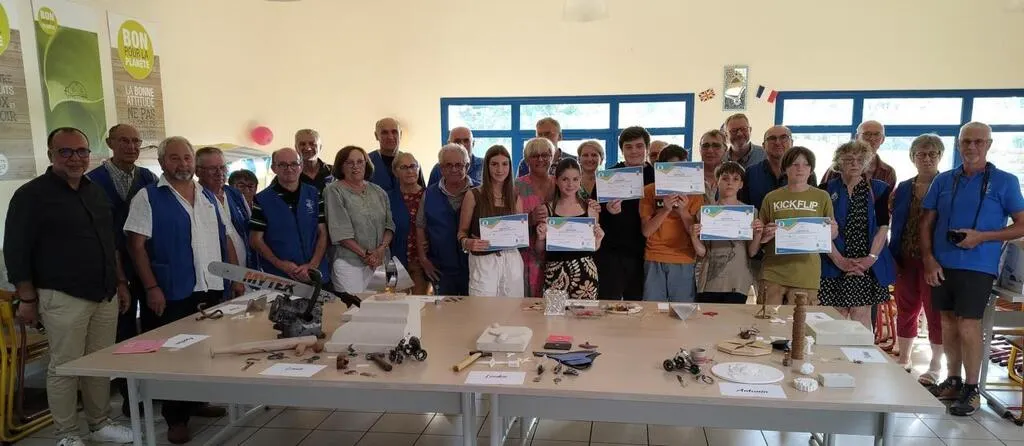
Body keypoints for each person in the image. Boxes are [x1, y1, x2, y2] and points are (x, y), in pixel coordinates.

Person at [5, 127, 134, 446]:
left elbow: (110, 243)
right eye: (65, 151)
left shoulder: (95, 191)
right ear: (50, 154)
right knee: (65, 367)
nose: (75, 158)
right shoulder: (31, 195)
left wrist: (120, 282)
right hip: (62, 295)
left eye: (81, 151)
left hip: (104, 293)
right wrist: (27, 299)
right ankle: (67, 433)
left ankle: (99, 423)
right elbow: (16, 251)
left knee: (99, 363)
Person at [124, 136, 242, 444]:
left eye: (187, 158)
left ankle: (198, 402)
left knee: (205, 349)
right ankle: (176, 418)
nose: (182, 164)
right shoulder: (148, 197)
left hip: (210, 287)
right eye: (175, 158)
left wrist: (236, 278)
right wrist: (151, 287)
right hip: (170, 289)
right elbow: (136, 246)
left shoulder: (207, 195)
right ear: (162, 162)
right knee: (173, 355)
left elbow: (225, 238)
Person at [921, 121, 1024, 416]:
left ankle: (971, 388)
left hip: (978, 266)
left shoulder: (1005, 181)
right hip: (941, 263)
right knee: (947, 323)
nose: (972, 147)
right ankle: (952, 380)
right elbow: (926, 222)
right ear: (958, 144)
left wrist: (983, 237)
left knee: (968, 325)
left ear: (989, 145)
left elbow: (1021, 225)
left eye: (979, 141)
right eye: (966, 141)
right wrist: (929, 259)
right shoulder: (943, 180)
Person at [85, 124, 159, 416]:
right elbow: (101, 234)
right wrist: (119, 279)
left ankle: (158, 391)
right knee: (125, 336)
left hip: (147, 267)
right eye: (124, 141)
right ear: (110, 143)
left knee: (155, 330)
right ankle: (132, 400)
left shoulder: (148, 178)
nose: (131, 147)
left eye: (136, 142)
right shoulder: (93, 182)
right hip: (113, 269)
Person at [819, 141, 895, 328]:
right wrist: (839, 261)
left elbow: (883, 227)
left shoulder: (879, 189)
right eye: (849, 159)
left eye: (860, 160)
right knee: (834, 319)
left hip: (865, 264)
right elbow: (821, 230)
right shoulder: (825, 189)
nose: (855, 163)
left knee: (861, 317)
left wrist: (871, 258)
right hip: (833, 263)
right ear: (838, 162)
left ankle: (863, 350)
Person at [890, 134, 946, 385]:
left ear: (940, 157)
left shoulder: (947, 185)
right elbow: (893, 221)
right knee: (905, 308)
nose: (926, 159)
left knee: (934, 312)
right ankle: (904, 358)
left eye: (932, 154)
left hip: (935, 260)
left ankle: (935, 365)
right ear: (912, 157)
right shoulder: (903, 188)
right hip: (905, 257)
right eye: (921, 154)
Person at [758, 146, 838, 305]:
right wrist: (766, 233)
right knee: (768, 317)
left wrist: (833, 231)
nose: (800, 168)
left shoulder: (822, 196)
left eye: (806, 164)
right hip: (773, 270)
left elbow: (831, 233)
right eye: (795, 164)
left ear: (811, 169)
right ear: (785, 168)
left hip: (806, 272)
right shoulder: (771, 197)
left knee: (800, 318)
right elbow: (760, 233)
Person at [249, 148, 329, 285]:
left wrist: (312, 265)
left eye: (294, 164)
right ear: (274, 168)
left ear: (301, 166)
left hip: (316, 273)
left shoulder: (314, 194)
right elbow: (255, 240)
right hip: (280, 277)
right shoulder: (262, 200)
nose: (289, 169)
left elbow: (322, 233)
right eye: (282, 164)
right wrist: (280, 264)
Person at [690, 161, 764, 304]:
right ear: (717, 181)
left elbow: (752, 252)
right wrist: (693, 237)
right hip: (709, 280)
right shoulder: (705, 212)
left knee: (732, 318)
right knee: (708, 318)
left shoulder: (750, 213)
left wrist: (758, 234)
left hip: (738, 280)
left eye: (735, 179)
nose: (730, 183)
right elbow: (702, 252)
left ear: (741, 184)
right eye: (725, 178)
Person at [325, 145, 395, 293]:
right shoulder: (333, 190)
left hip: (379, 261)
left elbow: (389, 226)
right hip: (349, 262)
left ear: (366, 164)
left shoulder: (379, 191)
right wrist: (367, 255)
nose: (355, 166)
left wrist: (380, 249)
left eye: (360, 162)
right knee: (354, 305)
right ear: (341, 166)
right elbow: (340, 232)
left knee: (379, 305)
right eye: (349, 162)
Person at [458, 145, 525, 297]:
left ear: (510, 166)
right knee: (483, 308)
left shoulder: (515, 197)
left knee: (512, 308)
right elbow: (461, 232)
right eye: (494, 164)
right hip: (483, 261)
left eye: (504, 164)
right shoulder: (473, 195)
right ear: (487, 166)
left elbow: (519, 234)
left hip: (511, 260)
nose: (500, 169)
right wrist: (467, 243)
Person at [598, 126, 656, 300]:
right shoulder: (608, 176)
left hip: (646, 252)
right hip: (613, 252)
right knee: (608, 303)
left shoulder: (657, 177)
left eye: (639, 146)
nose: (634, 151)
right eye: (628, 147)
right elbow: (595, 214)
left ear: (647, 148)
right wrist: (608, 210)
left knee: (639, 305)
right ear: (622, 150)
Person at [533, 158, 604, 299]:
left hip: (585, 271)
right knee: (554, 313)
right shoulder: (546, 209)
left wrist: (599, 239)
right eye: (565, 179)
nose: (570, 184)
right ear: (556, 181)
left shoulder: (590, 208)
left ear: (580, 179)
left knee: (585, 312)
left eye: (575, 179)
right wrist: (540, 238)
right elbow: (539, 250)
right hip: (555, 270)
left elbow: (593, 248)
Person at [640, 145, 703, 302]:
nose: (678, 173)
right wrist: (665, 209)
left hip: (684, 257)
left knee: (683, 309)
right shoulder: (649, 191)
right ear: (661, 170)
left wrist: (682, 211)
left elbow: (694, 232)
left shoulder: (695, 194)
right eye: (673, 168)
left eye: (683, 168)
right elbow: (646, 231)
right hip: (655, 256)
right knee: (653, 309)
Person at [417, 144, 479, 296]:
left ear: (467, 166)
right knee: (444, 309)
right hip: (441, 269)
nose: (454, 169)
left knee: (474, 308)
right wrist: (424, 260)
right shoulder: (429, 194)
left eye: (459, 165)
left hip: (474, 267)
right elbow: (420, 226)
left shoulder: (480, 192)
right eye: (448, 165)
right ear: (441, 168)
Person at [196, 147, 252, 276]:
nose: (219, 173)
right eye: (212, 168)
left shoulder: (235, 194)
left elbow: (249, 229)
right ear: (198, 171)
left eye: (222, 167)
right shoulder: (195, 198)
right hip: (216, 274)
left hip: (246, 272)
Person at [741, 125, 818, 214]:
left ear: (792, 143)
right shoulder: (751, 173)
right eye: (772, 138)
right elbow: (743, 207)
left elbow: (815, 206)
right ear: (763, 146)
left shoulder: (806, 173)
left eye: (783, 138)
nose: (777, 142)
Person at [516, 137, 557, 297]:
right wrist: (529, 220)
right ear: (527, 159)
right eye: (535, 156)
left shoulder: (561, 184)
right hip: (524, 258)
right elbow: (507, 226)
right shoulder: (516, 186)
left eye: (545, 155)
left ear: (552, 157)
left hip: (556, 257)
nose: (540, 159)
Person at [388, 152, 430, 294]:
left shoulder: (430, 195)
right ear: (395, 172)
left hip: (422, 260)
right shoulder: (387, 197)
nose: (410, 171)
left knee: (421, 303)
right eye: (404, 167)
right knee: (396, 302)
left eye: (413, 166)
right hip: (394, 259)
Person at [820, 120, 897, 189]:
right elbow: (823, 195)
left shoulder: (888, 172)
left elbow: (888, 199)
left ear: (883, 139)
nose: (872, 138)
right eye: (867, 134)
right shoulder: (839, 166)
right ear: (857, 137)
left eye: (877, 134)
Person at [368, 117, 423, 192]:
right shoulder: (366, 163)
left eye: (394, 132)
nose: (390, 137)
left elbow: (422, 193)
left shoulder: (412, 163)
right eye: (385, 132)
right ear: (376, 136)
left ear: (400, 134)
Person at [698, 130, 727, 201]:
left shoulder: (735, 176)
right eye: (705, 146)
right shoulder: (689, 175)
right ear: (700, 149)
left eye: (716, 146)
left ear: (725, 149)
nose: (710, 150)